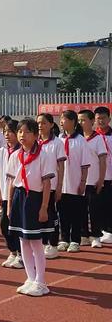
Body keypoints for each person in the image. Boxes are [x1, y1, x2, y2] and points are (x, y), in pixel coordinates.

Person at [7, 118, 55, 297]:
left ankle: (41, 281)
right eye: (20, 131)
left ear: (36, 135)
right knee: (23, 240)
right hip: (20, 198)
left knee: (36, 242)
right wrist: (10, 205)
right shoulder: (15, 155)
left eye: (27, 132)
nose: (22, 135)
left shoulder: (44, 155)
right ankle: (30, 277)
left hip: (35, 198)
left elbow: (47, 183)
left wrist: (44, 207)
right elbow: (12, 182)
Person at [57, 110, 91, 253]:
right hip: (62, 184)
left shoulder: (81, 140)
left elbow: (85, 164)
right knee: (62, 213)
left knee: (76, 213)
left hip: (75, 182)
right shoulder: (59, 139)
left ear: (72, 121)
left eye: (63, 119)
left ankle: (75, 240)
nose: (61, 122)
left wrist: (83, 182)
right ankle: (64, 238)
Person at [0, 119, 23, 269]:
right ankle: (12, 251)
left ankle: (21, 255)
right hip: (5, 194)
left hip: (17, 194)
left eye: (10, 132)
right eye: (5, 132)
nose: (7, 135)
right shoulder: (1, 151)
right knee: (4, 225)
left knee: (16, 225)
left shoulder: (21, 152)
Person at [37, 113, 65, 260]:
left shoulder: (57, 143)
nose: (40, 126)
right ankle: (41, 242)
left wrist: (60, 185)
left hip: (52, 185)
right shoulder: (35, 141)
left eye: (44, 123)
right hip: (36, 186)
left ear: (51, 125)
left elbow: (61, 166)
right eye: (39, 123)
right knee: (39, 215)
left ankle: (53, 244)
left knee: (50, 214)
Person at [78, 110, 107, 248]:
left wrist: (101, 179)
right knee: (81, 209)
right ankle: (84, 235)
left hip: (93, 181)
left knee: (94, 210)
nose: (80, 123)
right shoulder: (77, 138)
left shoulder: (98, 138)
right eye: (79, 120)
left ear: (91, 121)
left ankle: (96, 236)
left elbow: (102, 160)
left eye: (83, 120)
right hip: (79, 181)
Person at [94, 106, 112, 244]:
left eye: (103, 118)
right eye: (98, 118)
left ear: (109, 119)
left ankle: (109, 231)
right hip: (96, 178)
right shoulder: (92, 137)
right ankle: (99, 231)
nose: (101, 121)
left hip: (110, 176)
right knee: (97, 206)